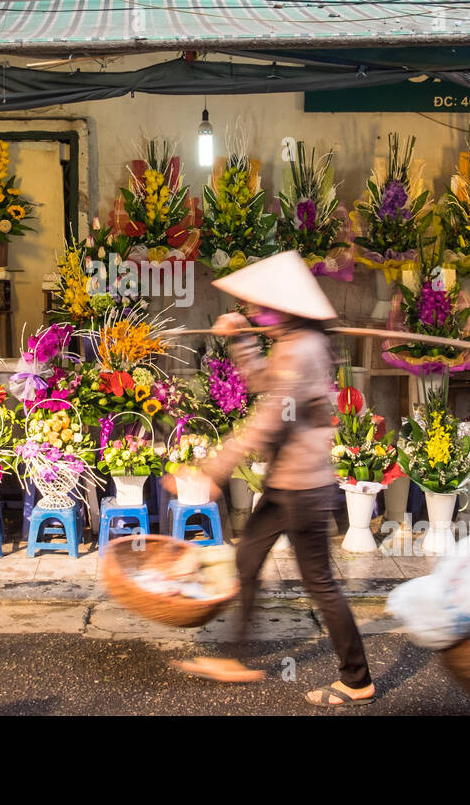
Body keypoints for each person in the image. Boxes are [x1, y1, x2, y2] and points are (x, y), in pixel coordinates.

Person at [167, 251, 376, 708]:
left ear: (286, 308)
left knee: (319, 582)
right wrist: (242, 341)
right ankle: (234, 658)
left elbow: (267, 421)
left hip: (303, 487)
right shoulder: (293, 342)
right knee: (246, 564)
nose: (256, 314)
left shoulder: (301, 349)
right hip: (287, 483)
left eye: (263, 308)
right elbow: (264, 384)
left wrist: (212, 470)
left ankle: (357, 679)